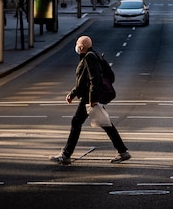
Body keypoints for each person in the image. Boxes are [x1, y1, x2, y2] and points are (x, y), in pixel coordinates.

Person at [50, 35, 131, 165]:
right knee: (105, 123)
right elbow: (87, 79)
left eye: (77, 44)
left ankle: (66, 154)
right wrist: (72, 94)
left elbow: (94, 79)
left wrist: (92, 99)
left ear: (81, 47)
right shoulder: (94, 55)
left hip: (90, 97)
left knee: (77, 122)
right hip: (92, 96)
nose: (76, 46)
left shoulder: (89, 58)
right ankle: (122, 151)